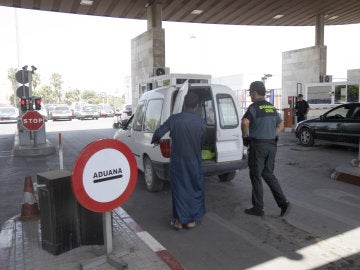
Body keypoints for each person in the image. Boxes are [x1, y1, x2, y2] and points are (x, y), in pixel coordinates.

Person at [151, 92, 206, 230]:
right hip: (194, 161)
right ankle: (191, 221)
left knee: (179, 190)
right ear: (197, 106)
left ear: (184, 104)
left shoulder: (174, 119)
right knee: (194, 188)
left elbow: (159, 132)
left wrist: (156, 140)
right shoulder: (201, 121)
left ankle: (179, 221)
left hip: (178, 162)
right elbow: (202, 142)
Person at [241, 81, 291, 217]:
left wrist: (245, 136)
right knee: (268, 174)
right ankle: (283, 202)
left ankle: (257, 208)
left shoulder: (254, 107)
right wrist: (271, 136)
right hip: (271, 146)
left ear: (255, 93)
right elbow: (280, 125)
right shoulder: (271, 107)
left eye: (250, 93)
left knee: (256, 176)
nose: (250, 96)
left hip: (258, 147)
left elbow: (245, 122)